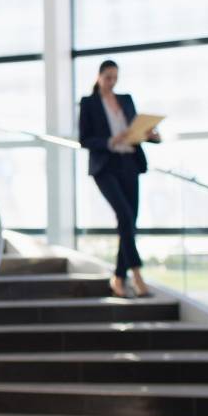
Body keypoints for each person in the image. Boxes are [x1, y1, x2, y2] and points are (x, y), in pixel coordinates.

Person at [79, 59, 161, 298]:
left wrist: (150, 135)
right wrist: (109, 141)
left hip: (130, 163)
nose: (112, 82)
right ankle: (136, 274)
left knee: (129, 221)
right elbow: (85, 139)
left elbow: (135, 128)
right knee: (124, 215)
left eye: (115, 77)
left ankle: (118, 277)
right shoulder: (89, 103)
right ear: (99, 76)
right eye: (108, 77)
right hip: (106, 166)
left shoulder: (126, 99)